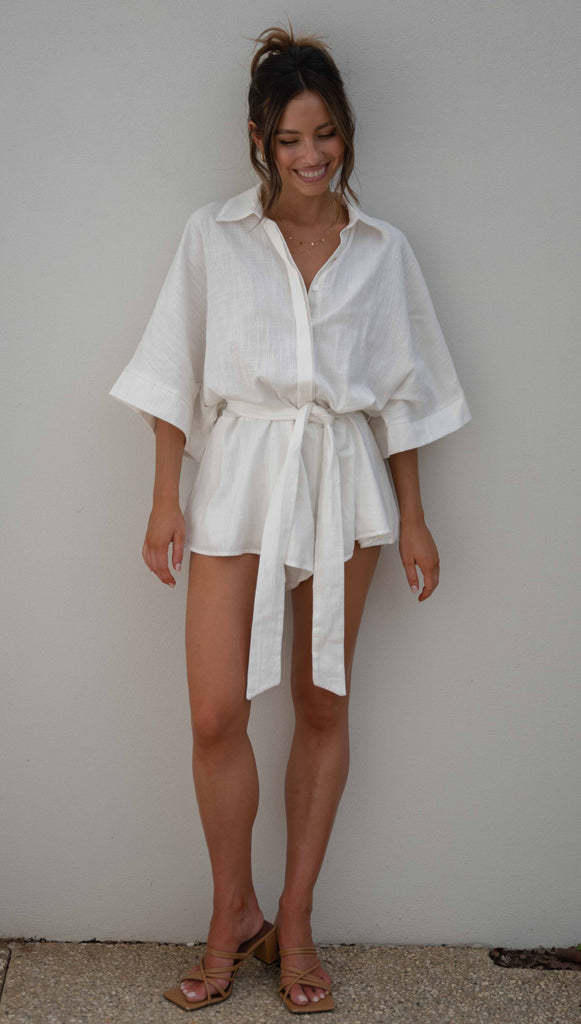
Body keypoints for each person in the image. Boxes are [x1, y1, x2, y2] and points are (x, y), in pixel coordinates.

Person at [108, 22, 472, 1015]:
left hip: (341, 484)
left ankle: (296, 920)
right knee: (214, 713)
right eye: (290, 140)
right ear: (259, 142)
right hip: (237, 479)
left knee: (320, 705)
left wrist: (413, 518)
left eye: (325, 134)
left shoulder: (382, 251)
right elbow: (171, 372)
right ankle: (232, 911)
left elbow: (403, 397)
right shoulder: (213, 236)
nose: (312, 156)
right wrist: (163, 498)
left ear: (344, 130)